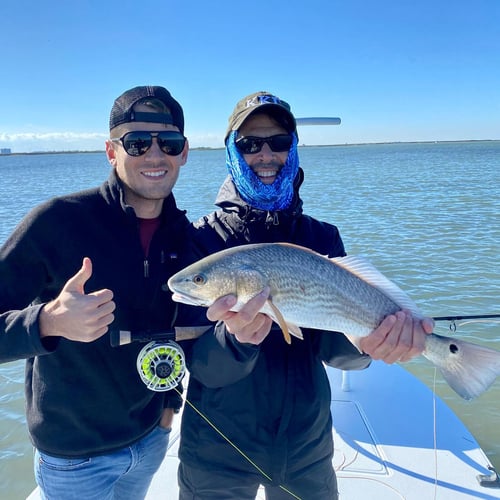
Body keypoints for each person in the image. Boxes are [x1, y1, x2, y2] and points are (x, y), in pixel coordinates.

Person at [177, 91, 434, 499]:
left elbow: (335, 351)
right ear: (231, 150)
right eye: (249, 144)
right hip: (215, 454)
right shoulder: (201, 242)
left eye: (279, 142)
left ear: (293, 149)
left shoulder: (322, 237)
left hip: (305, 449)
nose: (265, 155)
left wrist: (368, 345)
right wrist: (236, 340)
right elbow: (200, 367)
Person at [0, 86, 193, 499]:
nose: (155, 156)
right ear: (111, 151)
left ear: (184, 152)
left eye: (169, 143)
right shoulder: (57, 222)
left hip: (151, 439)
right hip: (74, 460)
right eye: (137, 143)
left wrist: (168, 410)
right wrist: (48, 322)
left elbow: (177, 331)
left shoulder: (185, 237)